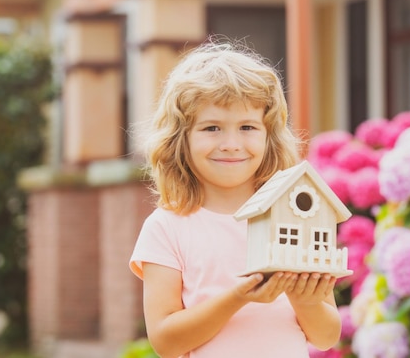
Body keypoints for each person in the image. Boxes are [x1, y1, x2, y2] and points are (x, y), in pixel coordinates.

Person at [129, 38, 341, 358]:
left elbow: (326, 337)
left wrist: (304, 297)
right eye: (212, 128)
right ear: (179, 140)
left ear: (269, 137)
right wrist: (239, 296)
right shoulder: (166, 227)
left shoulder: (293, 218)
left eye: (247, 127)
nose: (231, 143)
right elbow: (165, 342)